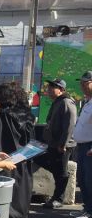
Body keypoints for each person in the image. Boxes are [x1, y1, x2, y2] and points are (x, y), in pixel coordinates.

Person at [0, 82, 35, 218]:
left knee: (2, 191)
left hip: (3, 158)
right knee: (22, 191)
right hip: (22, 158)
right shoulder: (26, 114)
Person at [35, 78, 77, 210]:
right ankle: (57, 194)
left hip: (62, 145)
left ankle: (58, 198)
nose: (49, 89)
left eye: (53, 87)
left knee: (60, 172)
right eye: (49, 86)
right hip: (53, 143)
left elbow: (69, 125)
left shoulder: (66, 102)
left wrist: (63, 144)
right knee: (51, 166)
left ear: (61, 90)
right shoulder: (58, 102)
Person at [71, 71, 92, 218]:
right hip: (82, 146)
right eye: (82, 83)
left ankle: (90, 212)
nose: (82, 86)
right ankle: (87, 208)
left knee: (89, 180)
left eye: (86, 83)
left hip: (90, 147)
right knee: (83, 180)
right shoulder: (87, 101)